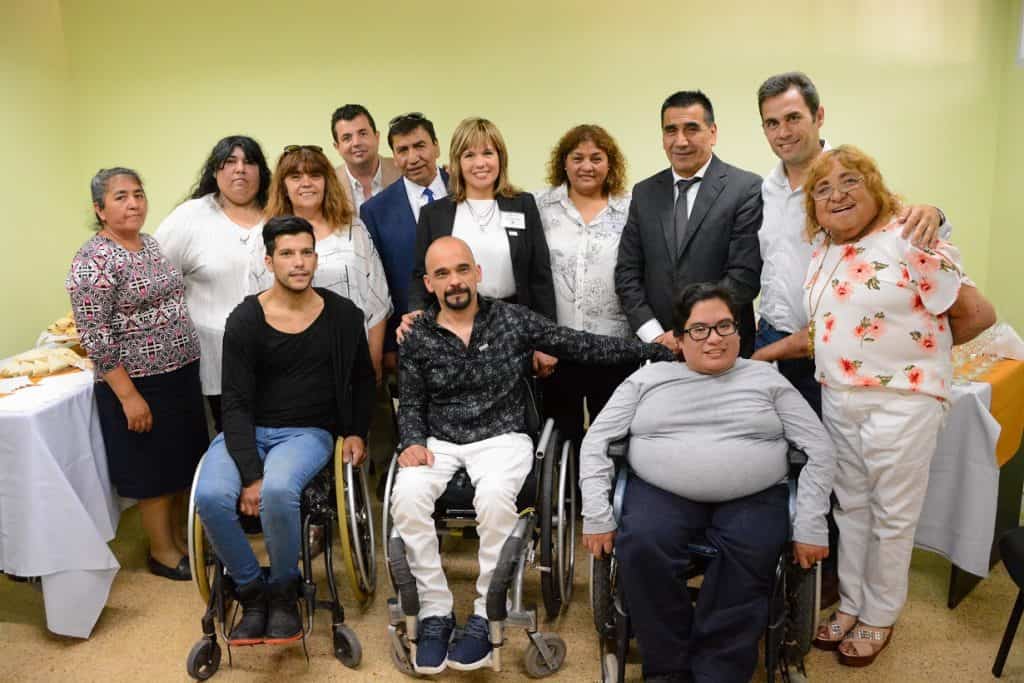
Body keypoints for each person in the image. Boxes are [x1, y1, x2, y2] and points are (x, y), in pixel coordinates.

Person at [754, 146, 995, 667]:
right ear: (814, 208)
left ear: (875, 186)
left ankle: (880, 614)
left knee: (892, 514)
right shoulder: (825, 249)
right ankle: (852, 603)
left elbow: (978, 314)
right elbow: (824, 331)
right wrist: (757, 357)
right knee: (852, 507)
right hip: (839, 396)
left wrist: (915, 357)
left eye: (850, 181)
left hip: (901, 402)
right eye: (822, 189)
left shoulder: (910, 237)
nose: (836, 195)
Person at [392, 236, 672, 675]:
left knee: (494, 499)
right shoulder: (416, 335)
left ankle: (486, 613)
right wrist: (412, 440)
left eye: (462, 269)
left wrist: (655, 349)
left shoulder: (512, 320)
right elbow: (410, 401)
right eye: (442, 274)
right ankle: (434, 612)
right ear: (429, 283)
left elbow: (581, 344)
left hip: (502, 438)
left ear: (478, 273)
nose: (454, 281)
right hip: (439, 440)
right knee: (406, 496)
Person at [194, 216, 376, 645]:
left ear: (315, 257)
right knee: (210, 496)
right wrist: (249, 472)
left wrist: (356, 431)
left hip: (306, 432)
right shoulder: (245, 319)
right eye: (287, 254)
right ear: (269, 261)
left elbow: (363, 379)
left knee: (278, 491)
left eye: (306, 252)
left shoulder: (343, 316)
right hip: (248, 428)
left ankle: (283, 590)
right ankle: (251, 590)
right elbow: (234, 402)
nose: (299, 262)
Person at [752, 71, 950, 416]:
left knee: (833, 441)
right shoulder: (764, 190)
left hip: (837, 341)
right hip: (772, 338)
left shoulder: (849, 177)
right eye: (772, 123)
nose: (783, 132)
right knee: (778, 438)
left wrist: (936, 214)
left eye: (793, 118)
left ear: (819, 116)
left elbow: (897, 223)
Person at [67, 167, 208, 581]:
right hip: (138, 383)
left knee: (181, 463)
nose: (133, 204)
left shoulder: (149, 244)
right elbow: (95, 337)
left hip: (179, 375)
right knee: (154, 472)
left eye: (138, 194)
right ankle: (162, 552)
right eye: (121, 197)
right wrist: (129, 397)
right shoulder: (92, 260)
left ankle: (179, 541)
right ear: (100, 209)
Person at [615, 90, 763, 358]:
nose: (680, 141)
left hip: (722, 346)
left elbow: (744, 277)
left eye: (691, 129)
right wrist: (655, 336)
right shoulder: (644, 192)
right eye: (671, 130)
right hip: (659, 348)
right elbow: (627, 273)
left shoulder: (746, 188)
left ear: (713, 133)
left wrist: (691, 332)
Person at [407, 116, 557, 377]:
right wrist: (417, 319)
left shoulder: (523, 204)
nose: (480, 163)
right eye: (469, 155)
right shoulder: (434, 214)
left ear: (500, 158)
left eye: (488, 153)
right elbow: (421, 276)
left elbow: (539, 277)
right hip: (455, 329)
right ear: (457, 162)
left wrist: (546, 342)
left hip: (514, 329)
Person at [154, 135, 271, 431]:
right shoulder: (190, 217)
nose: (240, 169)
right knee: (229, 438)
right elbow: (154, 277)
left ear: (261, 171)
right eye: (230, 162)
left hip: (275, 356)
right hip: (213, 361)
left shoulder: (278, 212)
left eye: (249, 162)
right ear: (215, 171)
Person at [248, 144, 391, 383]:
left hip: (350, 359)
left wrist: (373, 361)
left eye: (315, 175)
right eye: (295, 177)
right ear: (283, 186)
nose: (306, 183)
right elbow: (256, 301)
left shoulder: (353, 228)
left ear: (327, 182)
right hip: (288, 364)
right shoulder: (264, 235)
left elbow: (378, 298)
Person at [534, 124, 635, 442]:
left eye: (596, 158)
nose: (586, 166)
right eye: (577, 158)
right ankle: (568, 479)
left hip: (614, 346)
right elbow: (530, 275)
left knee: (611, 439)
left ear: (610, 163)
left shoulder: (630, 208)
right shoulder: (540, 206)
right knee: (563, 438)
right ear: (563, 163)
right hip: (557, 348)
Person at [360, 112, 448, 374]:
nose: (413, 158)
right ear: (394, 157)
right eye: (403, 150)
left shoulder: (466, 190)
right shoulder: (375, 211)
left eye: (420, 146)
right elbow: (378, 283)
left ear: (436, 147)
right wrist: (389, 345)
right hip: (411, 338)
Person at [330, 103, 401, 214]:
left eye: (363, 134)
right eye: (347, 138)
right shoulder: (329, 184)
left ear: (377, 137)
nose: (356, 143)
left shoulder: (402, 171)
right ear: (337, 147)